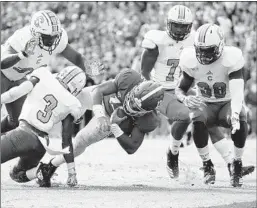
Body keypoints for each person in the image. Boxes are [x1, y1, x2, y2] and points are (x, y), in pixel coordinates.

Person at [140, 5, 254, 180]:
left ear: (190, 25)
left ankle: (230, 163)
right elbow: (145, 73)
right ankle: (173, 152)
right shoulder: (157, 40)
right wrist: (148, 92)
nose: (179, 29)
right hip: (160, 88)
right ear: (168, 23)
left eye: (183, 25)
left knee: (207, 118)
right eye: (175, 25)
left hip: (185, 86)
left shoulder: (198, 39)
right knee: (186, 116)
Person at [36, 69, 165, 187]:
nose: (130, 106)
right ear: (135, 89)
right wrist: (99, 114)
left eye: (137, 109)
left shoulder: (149, 119)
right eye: (131, 100)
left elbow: (132, 147)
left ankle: (51, 164)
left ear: (148, 111)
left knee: (80, 141)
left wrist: (114, 126)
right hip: (101, 100)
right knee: (70, 99)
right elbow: (98, 91)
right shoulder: (130, 78)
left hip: (111, 118)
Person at [1, 10, 104, 134]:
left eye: (54, 36)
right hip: (2, 73)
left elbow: (75, 57)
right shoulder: (22, 37)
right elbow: (2, 63)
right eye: (47, 37)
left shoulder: (58, 40)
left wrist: (90, 68)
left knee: (16, 121)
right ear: (35, 33)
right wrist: (21, 54)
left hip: (19, 76)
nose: (51, 41)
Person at [176, 23, 250, 187]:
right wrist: (185, 99)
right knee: (197, 116)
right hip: (205, 104)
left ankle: (236, 164)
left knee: (241, 116)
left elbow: (238, 91)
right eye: (201, 49)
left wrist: (236, 114)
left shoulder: (231, 58)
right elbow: (180, 89)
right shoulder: (190, 59)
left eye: (209, 50)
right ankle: (207, 165)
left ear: (220, 45)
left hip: (227, 103)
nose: (204, 54)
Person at [1, 65, 86, 187]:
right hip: (41, 145)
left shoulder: (43, 75)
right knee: (17, 174)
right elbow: (66, 140)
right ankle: (39, 171)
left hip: (23, 134)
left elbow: (16, 93)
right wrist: (72, 172)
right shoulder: (73, 104)